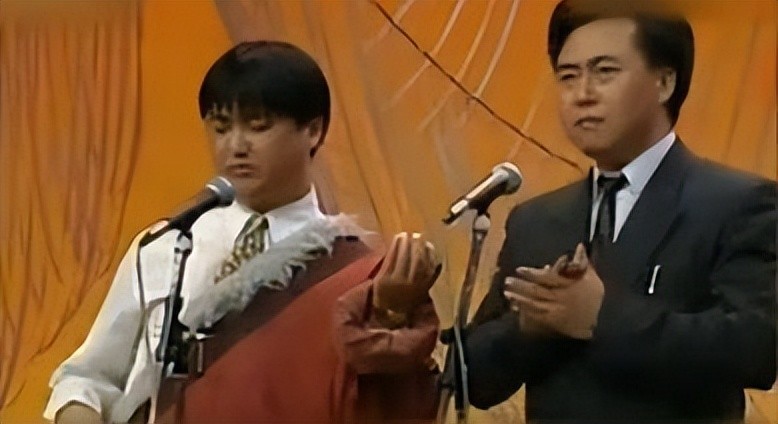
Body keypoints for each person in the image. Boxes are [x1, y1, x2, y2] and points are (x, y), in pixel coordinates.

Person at [44, 40, 439, 424]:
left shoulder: (352, 273)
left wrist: (392, 312)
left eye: (257, 126)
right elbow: (87, 378)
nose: (235, 146)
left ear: (313, 130)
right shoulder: (170, 245)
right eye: (220, 128)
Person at [464, 0, 776, 422]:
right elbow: (473, 378)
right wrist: (528, 330)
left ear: (664, 82)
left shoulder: (737, 203)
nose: (582, 94)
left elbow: (757, 350)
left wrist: (601, 316)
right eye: (567, 76)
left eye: (604, 72)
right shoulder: (536, 220)